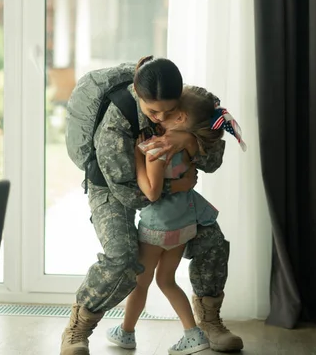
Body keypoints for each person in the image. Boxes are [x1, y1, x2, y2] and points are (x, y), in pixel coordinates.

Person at [60, 56, 244, 355]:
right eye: (152, 110)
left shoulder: (189, 102)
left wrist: (188, 139)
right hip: (112, 186)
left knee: (214, 245)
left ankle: (210, 321)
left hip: (162, 186)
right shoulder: (116, 119)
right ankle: (78, 328)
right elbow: (127, 191)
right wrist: (175, 184)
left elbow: (212, 162)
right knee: (122, 259)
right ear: (137, 91)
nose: (160, 117)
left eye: (170, 111)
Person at [105, 86, 247, 354]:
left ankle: (126, 332)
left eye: (166, 112)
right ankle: (192, 333)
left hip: (157, 227)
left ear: (179, 116)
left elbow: (152, 191)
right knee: (167, 281)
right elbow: (191, 176)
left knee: (141, 281)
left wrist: (138, 157)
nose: (159, 115)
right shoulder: (191, 146)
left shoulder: (156, 148)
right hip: (184, 224)